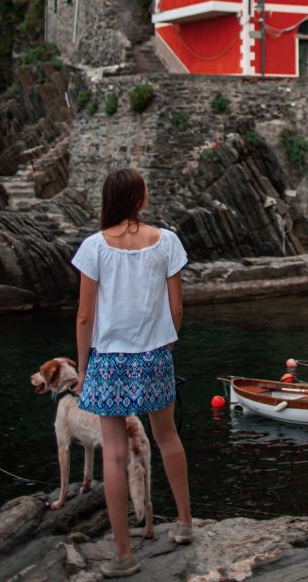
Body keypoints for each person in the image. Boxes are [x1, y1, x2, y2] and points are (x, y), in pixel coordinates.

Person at [72, 169, 192, 579]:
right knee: (167, 437)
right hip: (155, 354)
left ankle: (124, 555)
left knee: (116, 452)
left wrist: (84, 368)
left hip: (108, 361)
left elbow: (85, 315)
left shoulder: (93, 247)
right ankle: (184, 523)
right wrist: (167, 342)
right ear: (137, 198)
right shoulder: (167, 242)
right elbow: (176, 308)